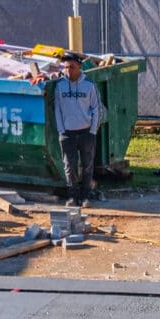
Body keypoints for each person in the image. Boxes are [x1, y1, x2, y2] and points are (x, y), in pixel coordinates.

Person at [52, 53, 104, 208]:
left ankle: (86, 196)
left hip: (86, 132)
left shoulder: (89, 85)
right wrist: (62, 130)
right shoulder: (60, 86)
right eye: (66, 67)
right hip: (67, 133)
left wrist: (93, 131)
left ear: (79, 67)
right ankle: (73, 197)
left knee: (87, 165)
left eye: (72, 67)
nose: (69, 71)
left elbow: (96, 109)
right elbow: (57, 109)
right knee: (69, 166)